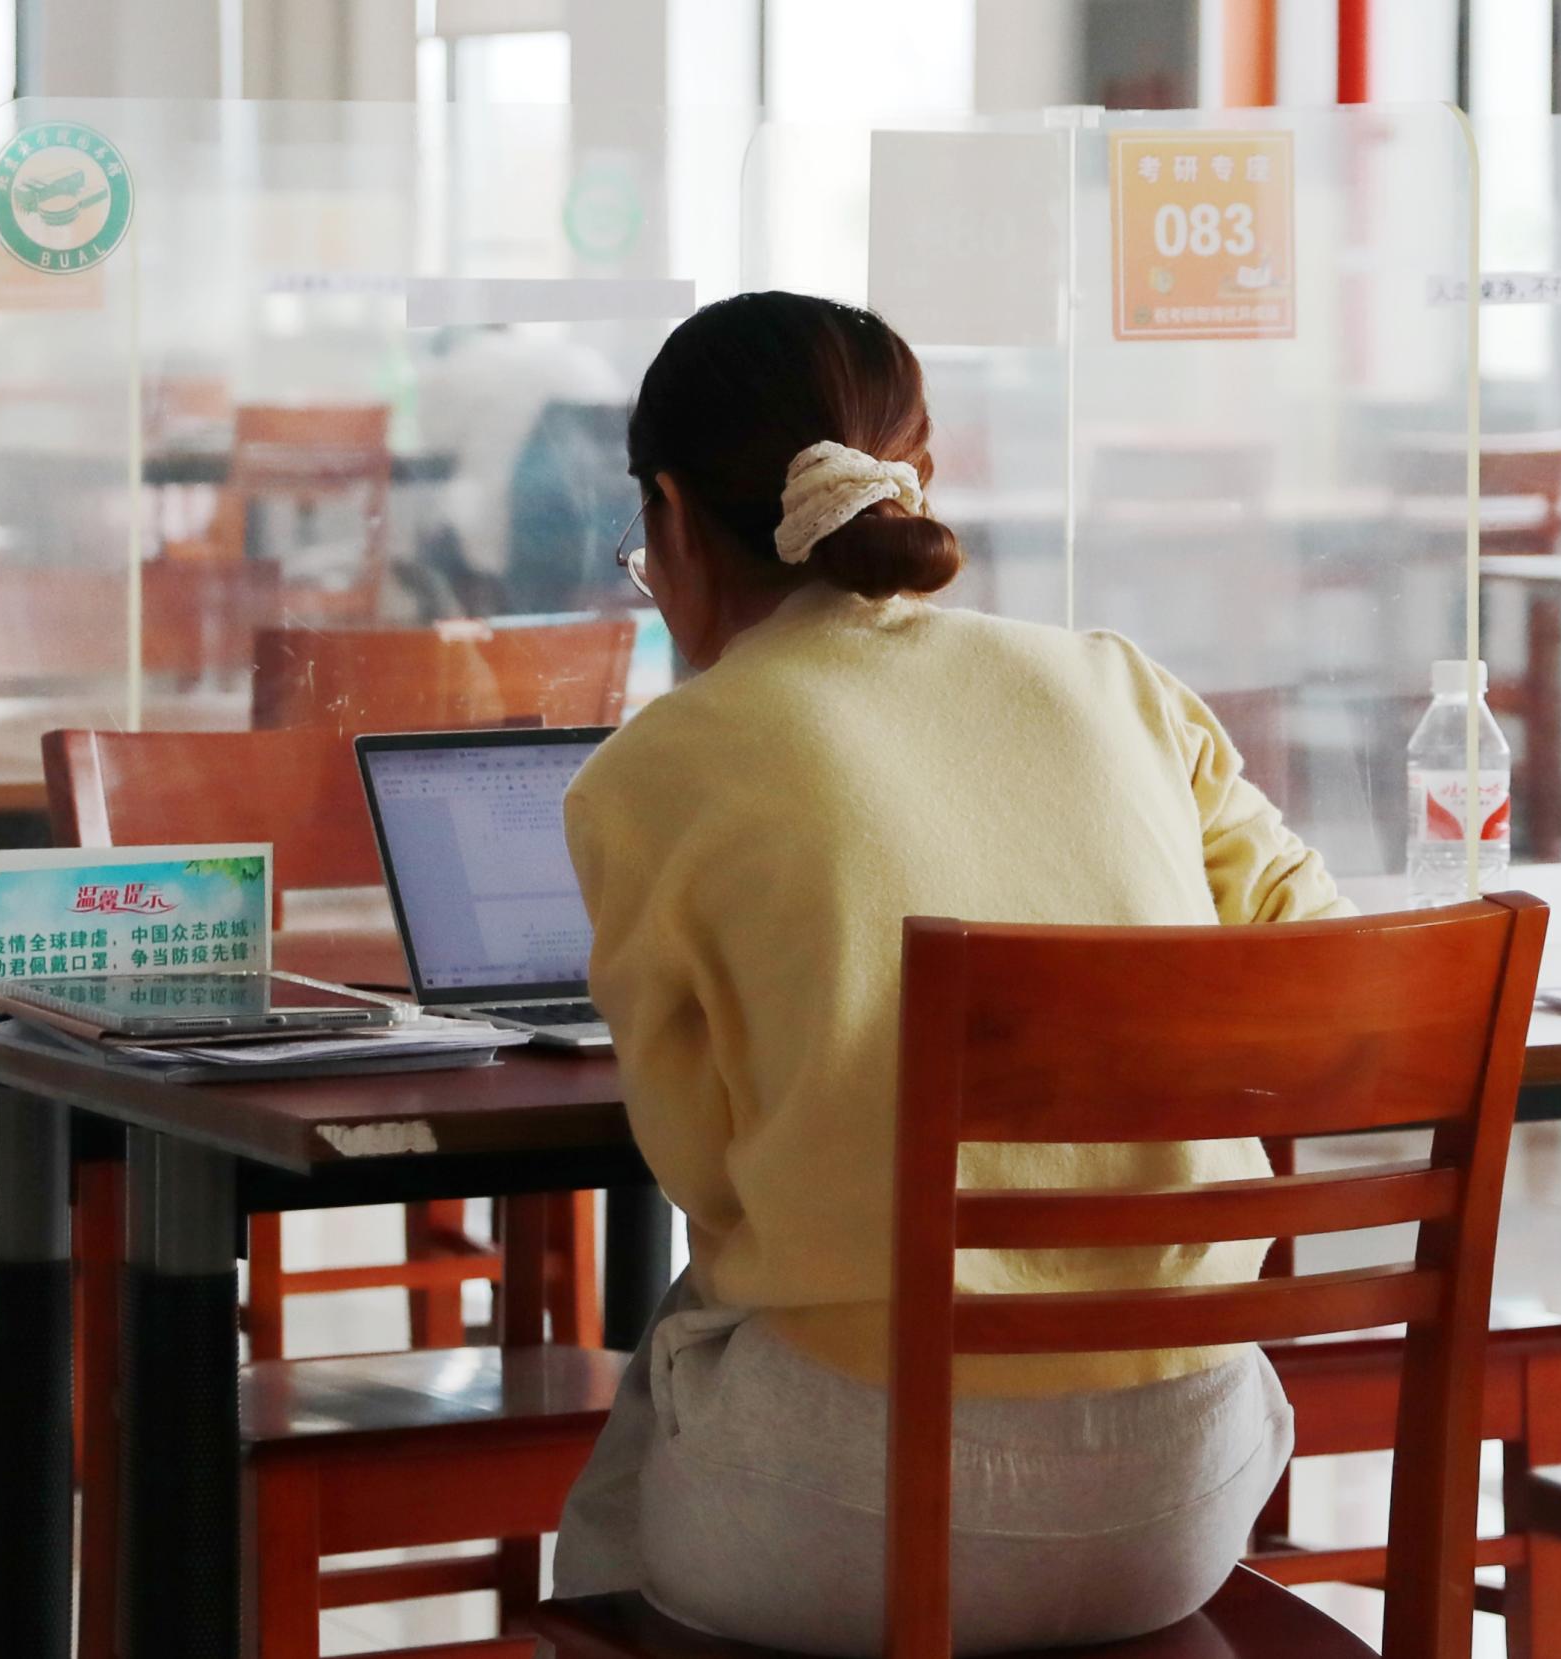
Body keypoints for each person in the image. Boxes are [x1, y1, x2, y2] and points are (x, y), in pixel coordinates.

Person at [553, 291, 1351, 1654]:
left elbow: (704, 1173)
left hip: (857, 1512)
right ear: (914, 473)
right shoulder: (1118, 686)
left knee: (645, 1448)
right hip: (1190, 1495)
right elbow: (1320, 957)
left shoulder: (657, 770)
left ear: (671, 517)